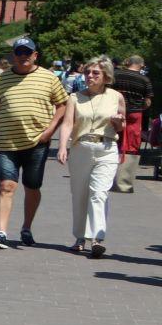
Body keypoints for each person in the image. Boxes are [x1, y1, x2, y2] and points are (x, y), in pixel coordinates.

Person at [0, 37, 70, 250]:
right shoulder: (2, 80)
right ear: (14, 55)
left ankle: (26, 227)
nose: (23, 56)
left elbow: (62, 105)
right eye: (19, 52)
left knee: (32, 186)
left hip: (37, 142)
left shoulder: (49, 78)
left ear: (35, 55)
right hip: (7, 142)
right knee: (6, 185)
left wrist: (50, 130)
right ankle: (1, 232)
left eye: (27, 52)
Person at [61, 57, 124, 259]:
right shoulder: (74, 97)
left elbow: (122, 126)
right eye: (88, 72)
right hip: (81, 148)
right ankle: (80, 237)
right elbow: (68, 124)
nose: (90, 76)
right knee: (79, 194)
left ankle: (97, 238)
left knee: (99, 193)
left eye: (95, 73)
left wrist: (117, 122)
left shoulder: (116, 97)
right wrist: (62, 146)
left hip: (106, 147)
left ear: (106, 76)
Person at [113, 55, 149, 193]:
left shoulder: (116, 75)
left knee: (113, 141)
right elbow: (147, 101)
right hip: (135, 114)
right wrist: (141, 107)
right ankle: (124, 183)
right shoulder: (144, 79)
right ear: (140, 65)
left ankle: (107, 178)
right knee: (131, 146)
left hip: (115, 112)